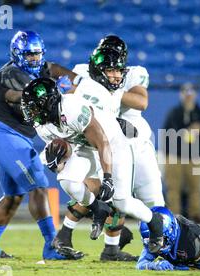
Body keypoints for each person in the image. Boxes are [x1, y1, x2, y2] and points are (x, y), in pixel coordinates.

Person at [47, 41, 164, 261]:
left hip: (123, 142)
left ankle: (146, 233)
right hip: (89, 140)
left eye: (117, 70)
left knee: (126, 198)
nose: (115, 75)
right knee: (72, 180)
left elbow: (140, 102)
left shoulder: (110, 89)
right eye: (109, 69)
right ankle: (68, 233)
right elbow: (62, 87)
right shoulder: (83, 81)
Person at [0, 30, 81, 260]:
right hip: (3, 136)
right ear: (17, 54)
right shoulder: (7, 74)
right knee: (39, 186)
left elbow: (71, 77)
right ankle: (51, 246)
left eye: (37, 54)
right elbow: (24, 96)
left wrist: (75, 82)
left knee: (13, 196)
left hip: (18, 138)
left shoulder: (45, 68)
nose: (34, 59)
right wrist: (57, 89)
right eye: (29, 54)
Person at [162, 83, 200, 223]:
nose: (188, 96)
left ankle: (195, 216)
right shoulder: (175, 113)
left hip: (194, 157)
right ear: (181, 94)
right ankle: (174, 218)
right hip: (175, 156)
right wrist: (183, 131)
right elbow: (166, 133)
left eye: (191, 92)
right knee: (173, 189)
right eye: (185, 92)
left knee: (195, 189)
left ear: (195, 95)